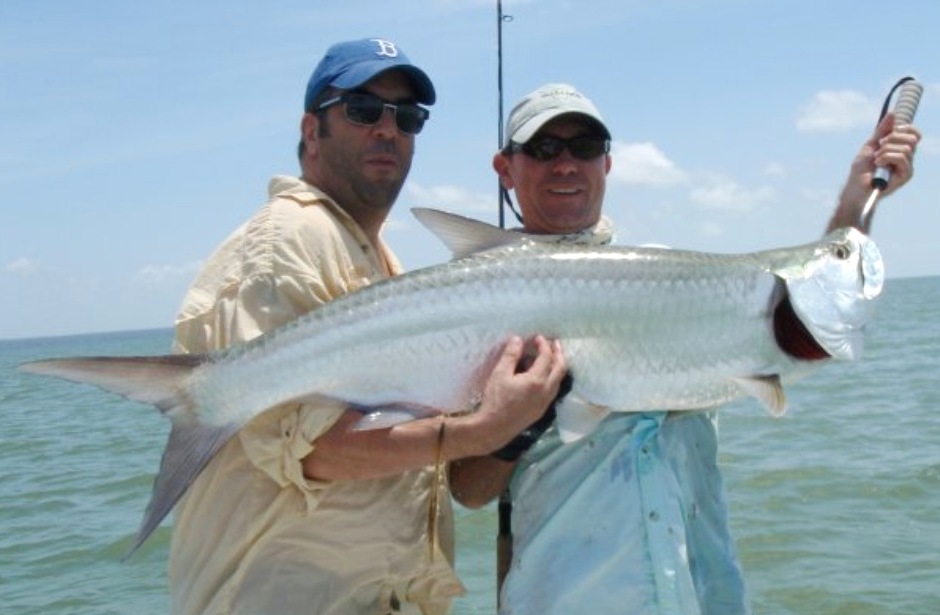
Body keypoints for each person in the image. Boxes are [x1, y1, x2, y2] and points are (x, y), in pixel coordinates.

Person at [449, 83, 921, 614]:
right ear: (505, 169)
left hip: (702, 595)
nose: (565, 165)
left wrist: (855, 202)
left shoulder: (673, 278)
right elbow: (467, 488)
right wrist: (522, 421)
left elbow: (810, 295)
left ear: (607, 164)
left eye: (583, 148)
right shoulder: (478, 310)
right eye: (543, 149)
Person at [168, 39, 567, 615]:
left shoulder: (377, 261)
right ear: (312, 130)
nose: (388, 129)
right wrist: (485, 430)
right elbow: (314, 450)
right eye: (362, 110)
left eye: (407, 118)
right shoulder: (291, 239)